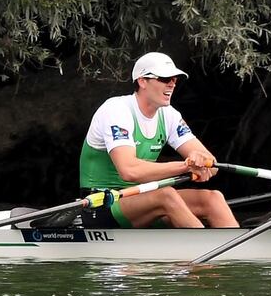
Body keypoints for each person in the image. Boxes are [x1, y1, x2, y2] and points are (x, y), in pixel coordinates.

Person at [79, 52, 238, 228]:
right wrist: (186, 166)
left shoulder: (169, 115)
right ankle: (206, 248)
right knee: (166, 195)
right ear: (142, 81)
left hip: (140, 200)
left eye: (175, 79)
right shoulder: (116, 110)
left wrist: (202, 160)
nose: (172, 84)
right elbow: (129, 171)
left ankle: (239, 253)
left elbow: (212, 165)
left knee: (213, 198)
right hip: (101, 204)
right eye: (164, 78)